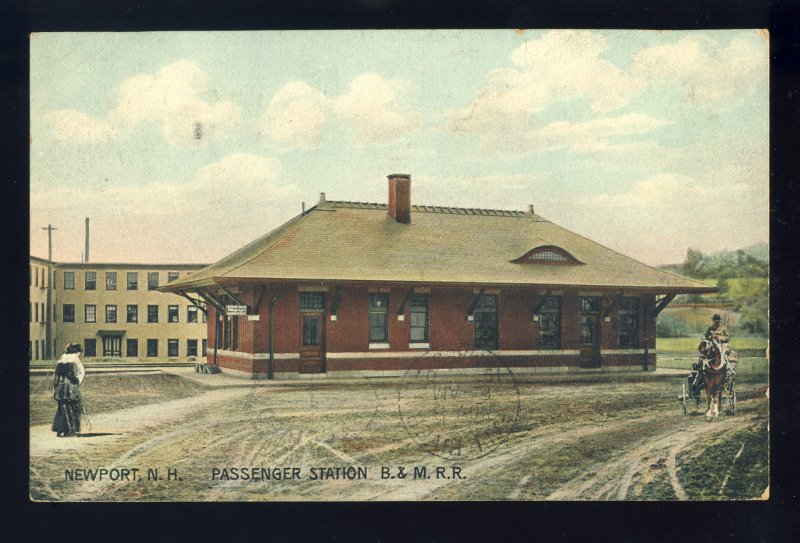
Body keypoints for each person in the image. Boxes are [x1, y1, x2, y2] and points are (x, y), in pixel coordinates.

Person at [52, 343, 85, 437]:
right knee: (74, 407)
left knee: (62, 408)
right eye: (79, 352)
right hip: (71, 386)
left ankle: (61, 430)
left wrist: (55, 387)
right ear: (76, 351)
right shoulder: (75, 358)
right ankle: (72, 430)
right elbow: (80, 373)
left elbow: (56, 375)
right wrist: (77, 382)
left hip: (61, 387)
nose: (79, 354)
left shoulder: (61, 358)